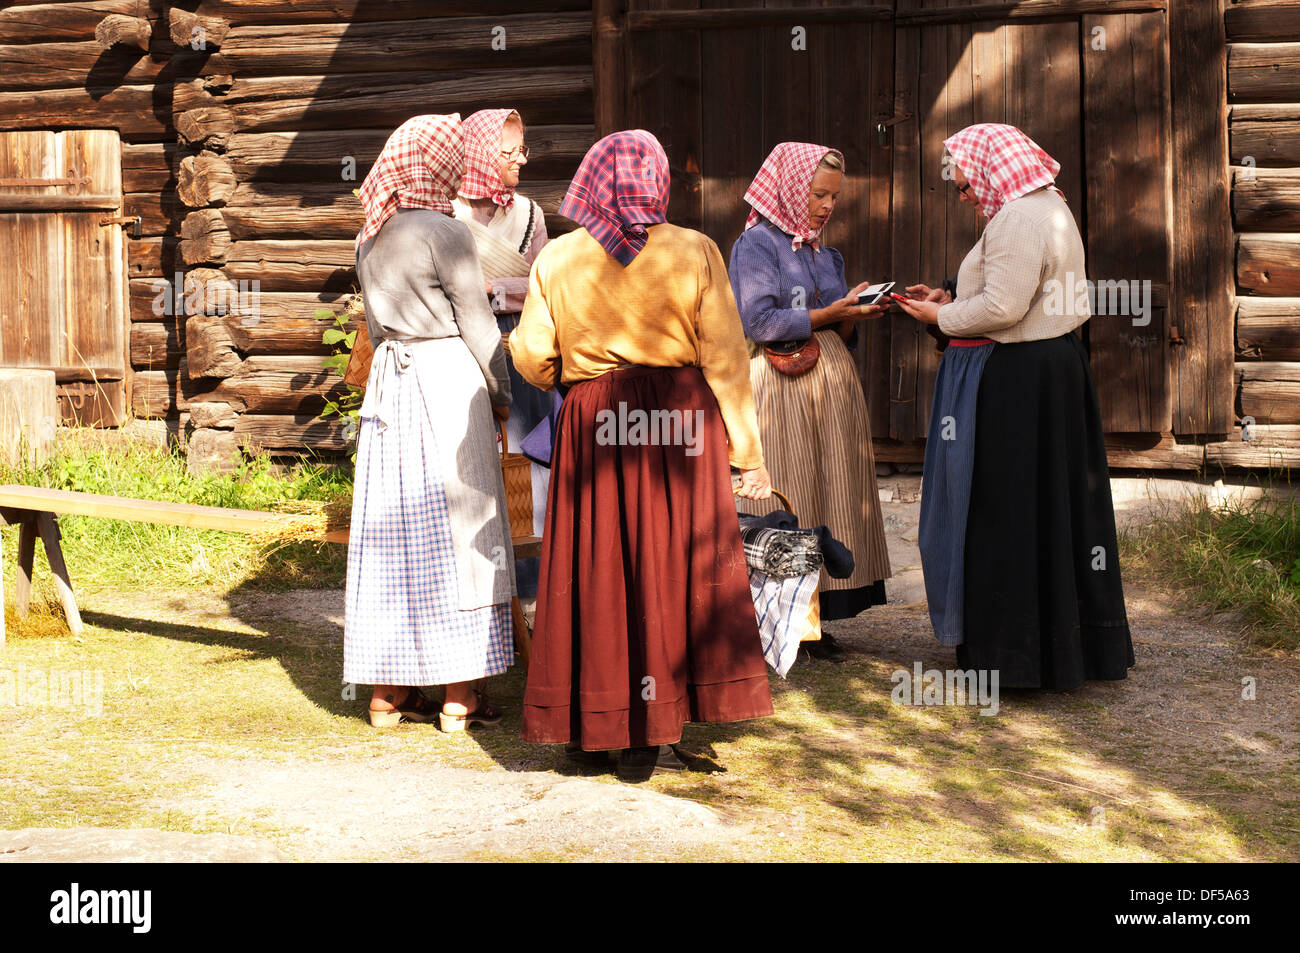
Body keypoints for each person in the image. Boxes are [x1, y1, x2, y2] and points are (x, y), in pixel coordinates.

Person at [510, 130, 775, 781]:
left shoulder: (559, 258)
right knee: (664, 567)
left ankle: (593, 726)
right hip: (676, 423)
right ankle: (651, 728)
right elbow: (725, 358)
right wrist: (747, 454)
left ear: (592, 182)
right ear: (656, 181)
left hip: (596, 419)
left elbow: (533, 357)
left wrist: (574, 375)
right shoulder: (694, 251)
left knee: (598, 568)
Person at [896, 122, 1134, 690]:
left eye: (963, 184)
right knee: (1049, 507)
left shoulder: (1018, 217)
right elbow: (1014, 290)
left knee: (1006, 510)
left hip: (1020, 379)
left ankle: (1011, 655)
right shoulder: (1043, 205)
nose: (964, 195)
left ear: (988, 169)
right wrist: (953, 297)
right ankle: (1062, 647)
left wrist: (939, 318)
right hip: (1046, 372)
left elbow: (1004, 306)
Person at [345, 113, 517, 729]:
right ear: (442, 165)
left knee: (394, 537)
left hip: (390, 392)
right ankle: (457, 695)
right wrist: (502, 395)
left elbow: (372, 329)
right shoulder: (445, 231)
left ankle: (386, 694)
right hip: (446, 385)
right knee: (459, 530)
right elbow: (477, 322)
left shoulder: (371, 233)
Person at [728, 142, 893, 663]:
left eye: (833, 197)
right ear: (788, 188)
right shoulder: (756, 246)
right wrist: (827, 315)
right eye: (818, 194)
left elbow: (832, 316)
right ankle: (780, 615)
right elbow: (758, 322)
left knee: (830, 488)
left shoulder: (825, 252)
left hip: (830, 382)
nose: (826, 206)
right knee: (791, 487)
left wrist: (854, 312)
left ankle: (819, 615)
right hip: (780, 385)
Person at [452, 109, 552, 588]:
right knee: (475, 452)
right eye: (507, 152)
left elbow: (542, 283)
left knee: (527, 453)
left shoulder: (530, 214)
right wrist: (493, 290)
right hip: (464, 343)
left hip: (519, 341)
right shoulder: (447, 214)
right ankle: (474, 571)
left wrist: (494, 291)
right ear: (477, 154)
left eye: (522, 150)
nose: (519, 161)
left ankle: (529, 574)